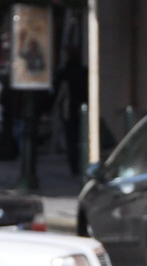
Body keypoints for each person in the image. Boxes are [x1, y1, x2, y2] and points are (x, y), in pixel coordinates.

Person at [53, 45, 88, 176]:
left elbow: (60, 94)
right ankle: (81, 163)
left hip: (69, 110)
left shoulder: (64, 73)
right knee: (81, 137)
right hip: (83, 109)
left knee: (71, 139)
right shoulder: (83, 71)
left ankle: (75, 166)